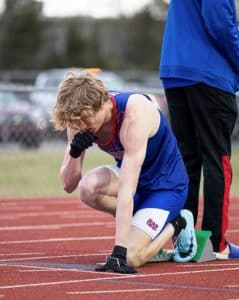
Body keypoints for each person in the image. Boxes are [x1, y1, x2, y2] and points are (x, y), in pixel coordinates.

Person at [51, 71, 197, 274]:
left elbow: (127, 188)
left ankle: (178, 223)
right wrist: (75, 152)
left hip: (165, 187)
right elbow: (69, 185)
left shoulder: (134, 112)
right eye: (77, 122)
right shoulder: (79, 121)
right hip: (133, 179)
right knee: (87, 188)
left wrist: (119, 252)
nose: (82, 126)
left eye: (86, 119)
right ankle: (142, 230)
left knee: (131, 257)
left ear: (102, 103)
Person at [160, 0, 239, 259]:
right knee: (218, 159)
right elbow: (220, 23)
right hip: (209, 73)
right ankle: (216, 244)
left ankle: (188, 243)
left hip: (175, 70)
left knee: (186, 161)